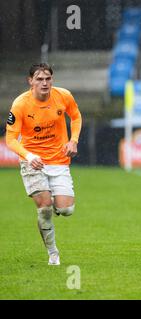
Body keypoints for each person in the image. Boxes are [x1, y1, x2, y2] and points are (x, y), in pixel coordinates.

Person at [5, 63, 82, 265]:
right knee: (45, 208)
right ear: (30, 81)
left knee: (66, 210)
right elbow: (11, 139)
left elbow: (75, 116)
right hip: (33, 162)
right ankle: (53, 253)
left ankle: (57, 204)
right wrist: (29, 156)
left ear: (52, 80)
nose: (44, 83)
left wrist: (73, 140)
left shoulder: (63, 96)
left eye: (48, 78)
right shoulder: (20, 104)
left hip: (59, 160)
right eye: (39, 79)